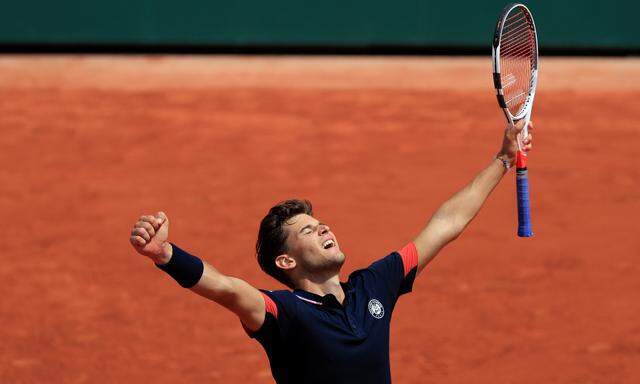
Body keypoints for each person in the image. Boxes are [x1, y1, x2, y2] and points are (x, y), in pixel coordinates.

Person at [129, 120, 533, 384]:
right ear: (285, 261)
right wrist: (166, 254)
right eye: (306, 229)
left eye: (319, 222)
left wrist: (502, 159)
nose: (322, 226)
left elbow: (445, 227)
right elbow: (224, 287)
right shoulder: (282, 313)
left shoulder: (375, 286)